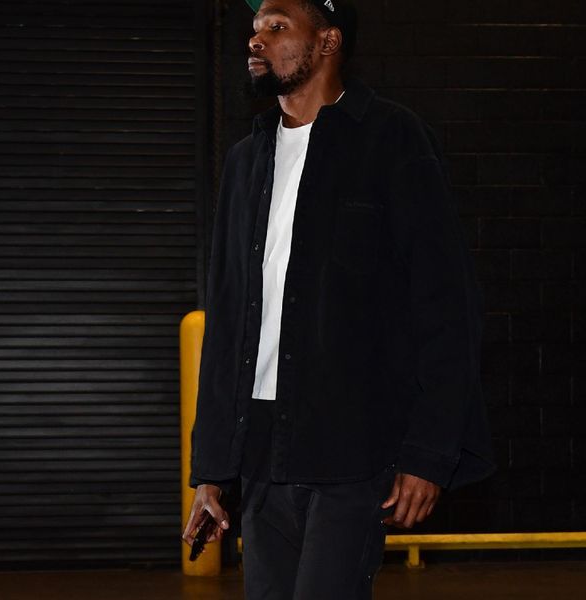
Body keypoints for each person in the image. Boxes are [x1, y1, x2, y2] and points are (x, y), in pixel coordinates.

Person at [182, 0, 495, 598]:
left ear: (327, 41)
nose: (257, 41)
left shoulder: (391, 138)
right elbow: (227, 321)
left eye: (277, 27)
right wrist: (213, 468)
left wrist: (428, 451)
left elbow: (446, 305)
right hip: (262, 447)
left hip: (354, 445)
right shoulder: (246, 161)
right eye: (253, 30)